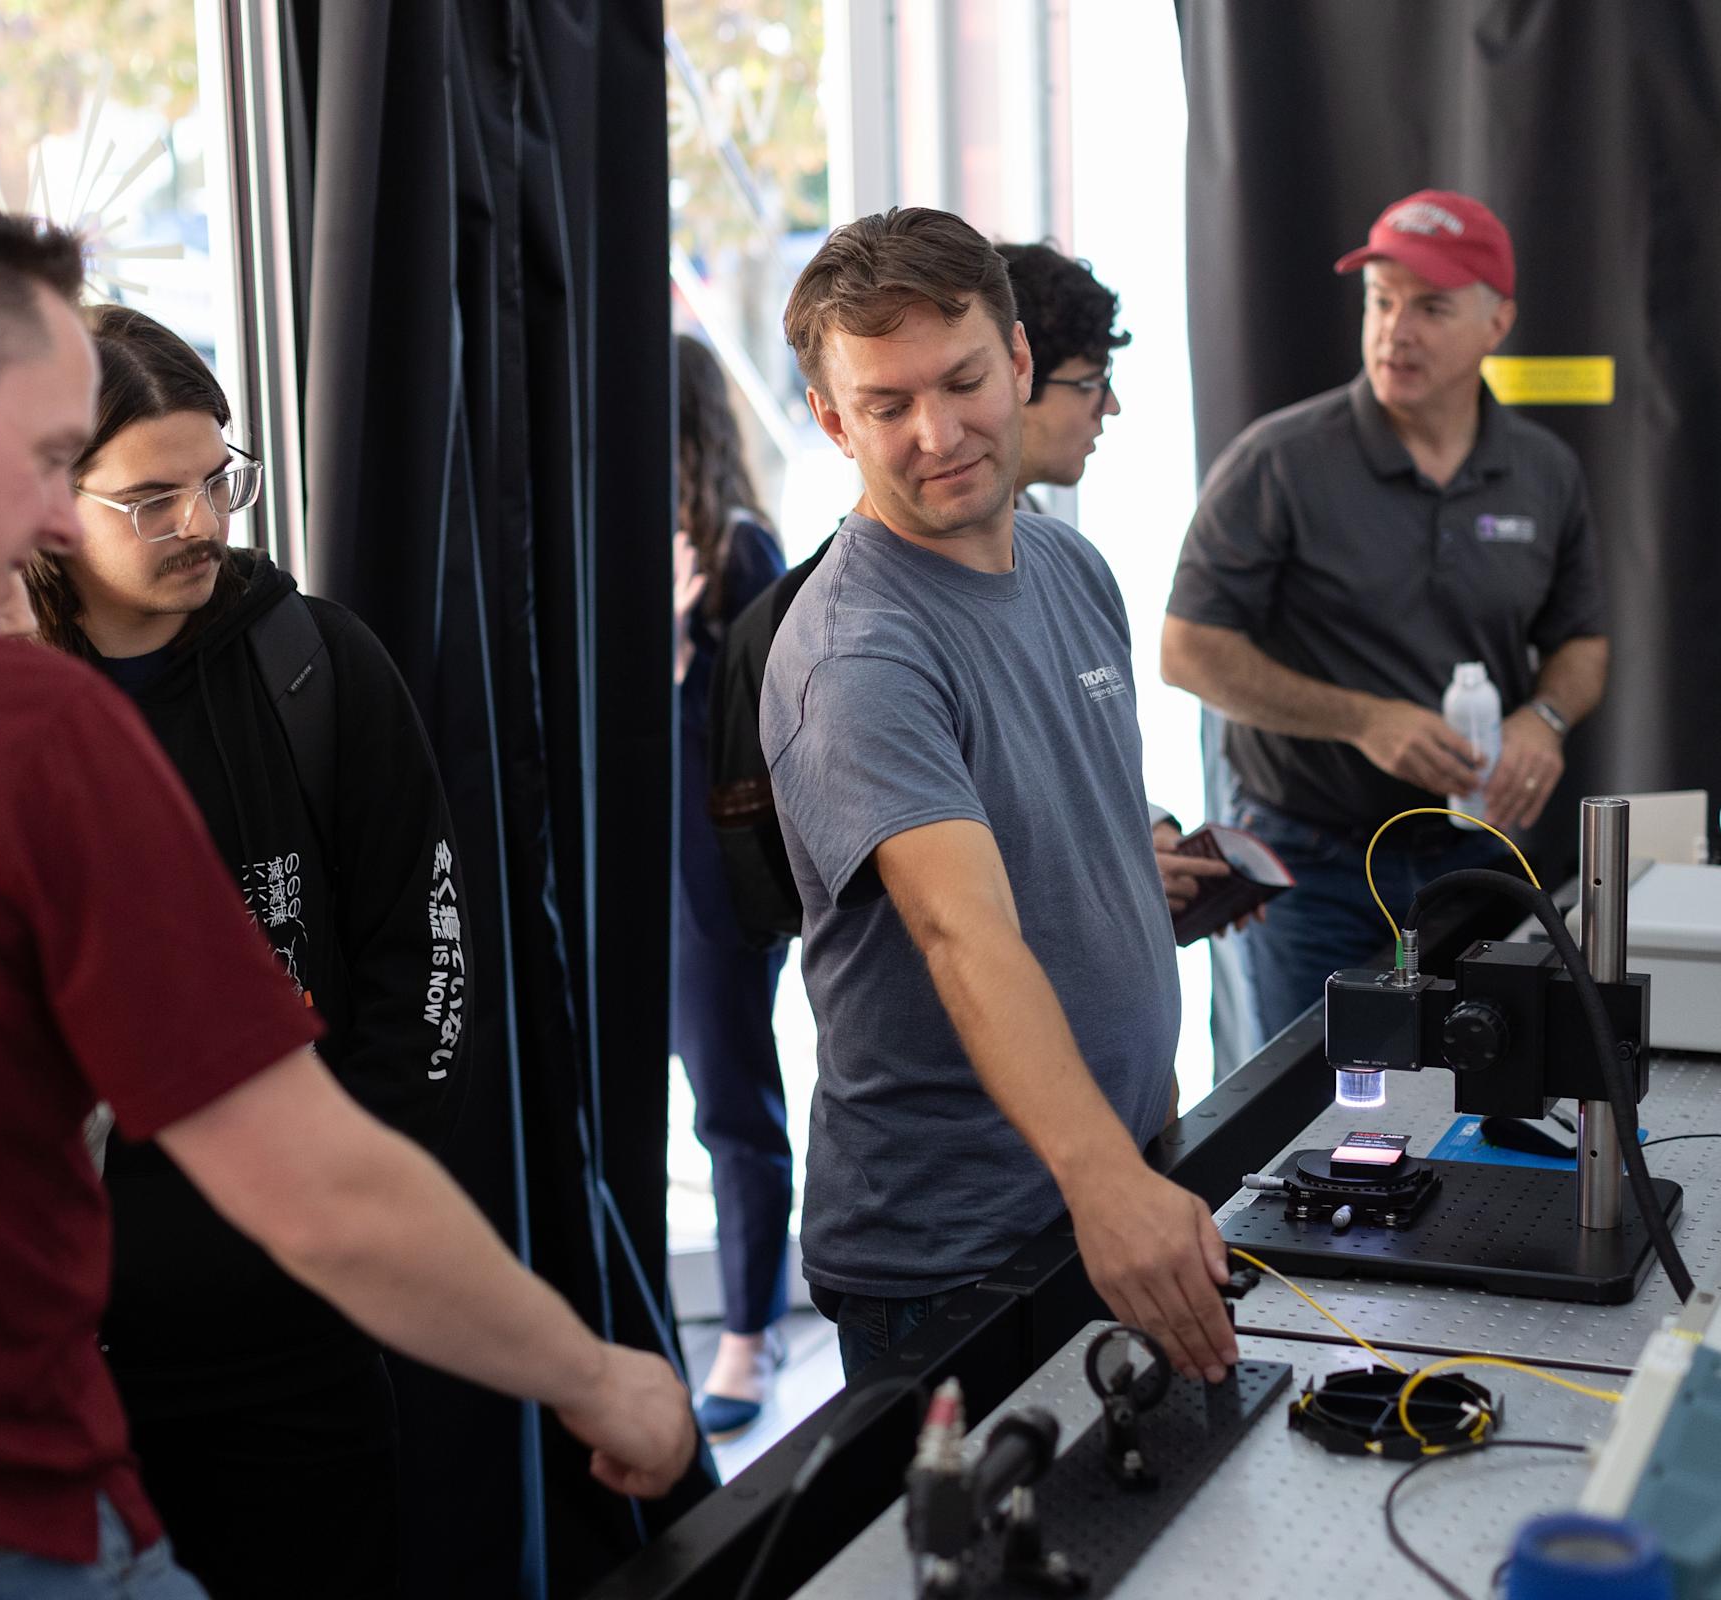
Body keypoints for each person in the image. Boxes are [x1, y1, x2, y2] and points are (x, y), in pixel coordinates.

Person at [0, 177, 690, 1596]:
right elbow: (316, 1191)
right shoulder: (12, 729)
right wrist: (592, 1375)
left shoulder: (276, 669)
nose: (51, 515)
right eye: (50, 459)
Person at [19, 305, 469, 1597]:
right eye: (150, 499)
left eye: (218, 479)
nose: (204, 524)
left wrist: (341, 1215)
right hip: (65, 1371)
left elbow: (421, 970)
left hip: (301, 1344)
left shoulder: (315, 668)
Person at [761, 206, 1241, 1386]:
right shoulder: (856, 653)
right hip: (955, 1261)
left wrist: (1136, 880)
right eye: (886, 405)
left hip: (1109, 1177)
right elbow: (959, 930)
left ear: (1018, 359)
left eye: (965, 379)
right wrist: (1106, 1178)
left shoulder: (1071, 566)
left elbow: (1062, 828)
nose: (938, 432)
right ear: (833, 420)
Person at [1161, 189, 1610, 1038]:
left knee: (1478, 1095)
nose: (1395, 329)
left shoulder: (1543, 471)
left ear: (1497, 323)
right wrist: (1362, 719)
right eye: (1382, 300)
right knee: (1313, 1115)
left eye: (1432, 307)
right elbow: (1187, 651)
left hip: (1478, 856)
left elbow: (1581, 640)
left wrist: (1544, 719)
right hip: (1311, 861)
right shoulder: (1279, 461)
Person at [666, 333, 793, 1441]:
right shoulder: (604, 541)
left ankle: (750, 1333)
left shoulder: (741, 553)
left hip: (712, 891)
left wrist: (669, 654)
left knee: (732, 1111)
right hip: (625, 884)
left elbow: (758, 744)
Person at [997, 242, 1128, 496]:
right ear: (1019, 375)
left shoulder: (1037, 523)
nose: (1112, 407)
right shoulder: (947, 533)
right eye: (1091, 384)